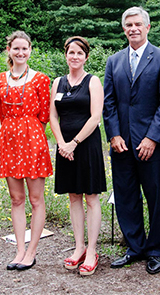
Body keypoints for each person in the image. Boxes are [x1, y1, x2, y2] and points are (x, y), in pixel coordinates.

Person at [103, 6, 160, 274]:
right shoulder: (114, 61)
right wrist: (113, 134)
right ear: (124, 29)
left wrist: (152, 138)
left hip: (151, 146)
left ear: (147, 27)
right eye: (128, 25)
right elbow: (109, 102)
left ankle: (155, 250)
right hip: (121, 145)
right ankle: (135, 247)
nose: (132, 28)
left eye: (137, 24)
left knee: (156, 198)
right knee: (125, 197)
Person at [0, 31, 51, 271]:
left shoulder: (40, 79)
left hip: (32, 138)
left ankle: (32, 251)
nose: (20, 53)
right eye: (16, 48)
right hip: (9, 140)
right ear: (9, 50)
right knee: (16, 199)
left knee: (36, 199)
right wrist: (14, 131)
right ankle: (19, 249)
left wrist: (30, 133)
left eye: (24, 49)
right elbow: (2, 112)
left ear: (30, 50)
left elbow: (44, 115)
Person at [50, 36, 106, 276]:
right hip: (64, 147)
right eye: (71, 52)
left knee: (91, 197)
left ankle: (92, 251)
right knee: (73, 196)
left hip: (85, 145)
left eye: (79, 53)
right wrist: (62, 144)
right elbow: (53, 116)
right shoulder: (58, 82)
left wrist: (74, 143)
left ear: (86, 57)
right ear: (66, 55)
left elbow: (95, 117)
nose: (74, 57)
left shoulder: (93, 82)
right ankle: (79, 247)